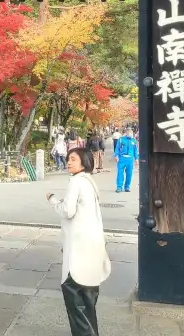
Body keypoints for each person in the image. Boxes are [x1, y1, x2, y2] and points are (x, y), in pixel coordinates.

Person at [46, 148, 111, 336]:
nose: (68, 162)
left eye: (73, 159)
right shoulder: (90, 182)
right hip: (93, 246)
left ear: (84, 161)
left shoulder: (75, 182)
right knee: (88, 298)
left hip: (79, 248)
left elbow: (68, 211)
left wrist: (52, 200)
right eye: (68, 159)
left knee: (74, 295)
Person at [114, 127, 139, 193]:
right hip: (122, 159)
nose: (130, 134)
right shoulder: (121, 140)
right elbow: (117, 148)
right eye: (128, 132)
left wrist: (136, 158)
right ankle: (119, 187)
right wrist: (116, 156)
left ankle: (127, 187)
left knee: (129, 174)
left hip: (130, 160)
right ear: (126, 133)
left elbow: (135, 150)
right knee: (120, 173)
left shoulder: (133, 141)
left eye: (131, 133)